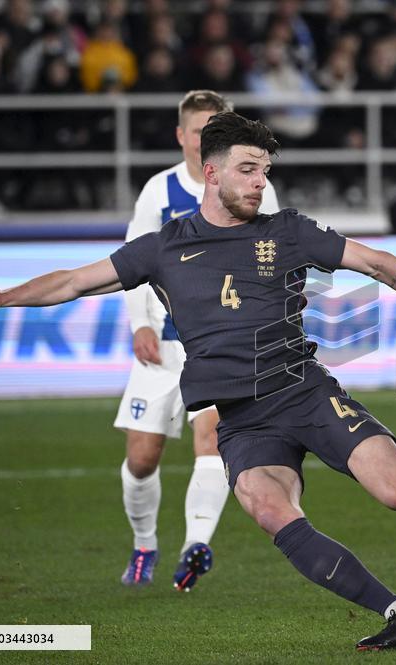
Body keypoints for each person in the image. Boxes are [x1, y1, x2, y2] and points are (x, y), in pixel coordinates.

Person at [0, 111, 396, 651]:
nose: (260, 182)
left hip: (304, 392)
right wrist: (4, 297)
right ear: (211, 174)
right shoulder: (164, 246)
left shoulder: (289, 231)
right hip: (241, 419)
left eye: (263, 170)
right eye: (248, 169)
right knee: (269, 509)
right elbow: (74, 281)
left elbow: (377, 263)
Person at [115, 90, 280, 592]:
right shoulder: (158, 191)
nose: (207, 136)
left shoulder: (257, 188)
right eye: (199, 129)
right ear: (183, 137)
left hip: (219, 346)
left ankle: (195, 546)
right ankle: (145, 545)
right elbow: (130, 259)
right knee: (142, 459)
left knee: (210, 439)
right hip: (161, 346)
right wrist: (139, 323)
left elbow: (271, 260)